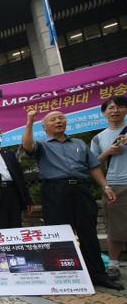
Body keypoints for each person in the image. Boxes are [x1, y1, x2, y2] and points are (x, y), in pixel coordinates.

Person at [22, 110, 124, 290]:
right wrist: (30, 122)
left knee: (88, 233)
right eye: (52, 120)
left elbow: (93, 166)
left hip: (80, 189)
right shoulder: (42, 144)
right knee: (58, 234)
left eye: (61, 118)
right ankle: (62, 276)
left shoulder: (79, 144)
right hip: (55, 190)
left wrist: (106, 187)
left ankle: (98, 275)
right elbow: (28, 146)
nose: (58, 121)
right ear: (45, 128)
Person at [91, 96, 127, 280]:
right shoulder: (99, 137)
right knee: (116, 227)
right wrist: (108, 152)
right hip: (116, 185)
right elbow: (93, 164)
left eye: (120, 107)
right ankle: (113, 264)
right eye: (111, 108)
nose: (115, 111)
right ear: (104, 113)